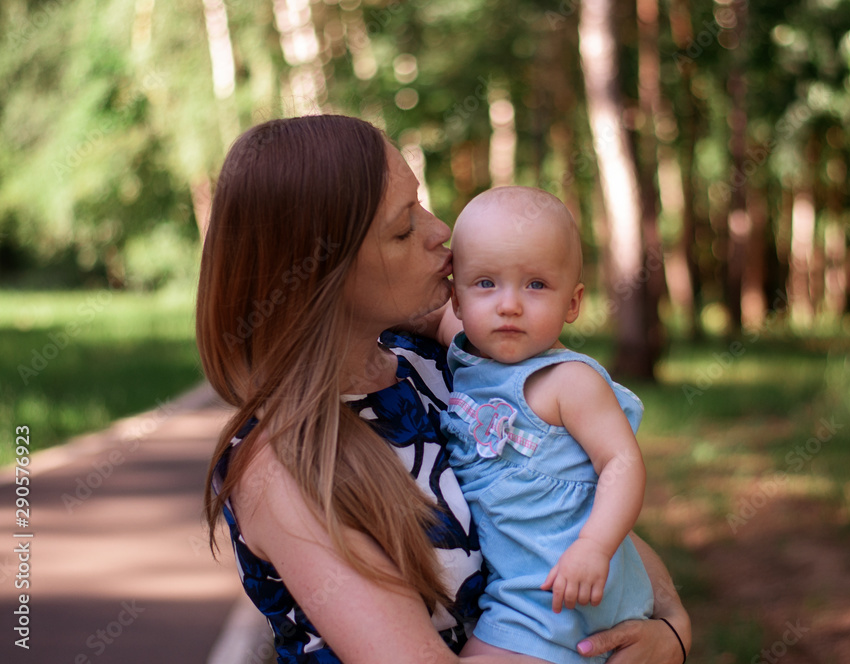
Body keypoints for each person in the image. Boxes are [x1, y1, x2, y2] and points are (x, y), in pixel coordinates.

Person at [196, 114, 690, 664]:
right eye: (403, 228)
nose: (440, 232)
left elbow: (563, 500)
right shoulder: (285, 464)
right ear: (322, 272)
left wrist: (671, 628)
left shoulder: (441, 362)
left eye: (421, 204)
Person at [438, 187, 664, 664]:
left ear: (573, 303)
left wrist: (594, 546)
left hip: (561, 590)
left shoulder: (568, 381)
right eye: (485, 283)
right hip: (518, 588)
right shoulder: (468, 357)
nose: (509, 305)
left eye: (536, 285)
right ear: (456, 300)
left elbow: (621, 461)